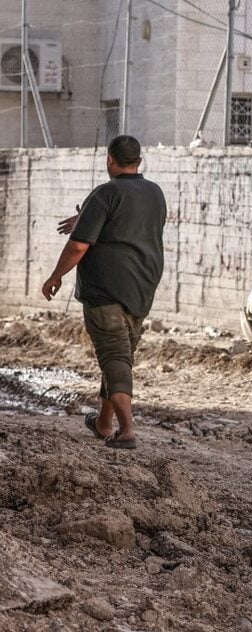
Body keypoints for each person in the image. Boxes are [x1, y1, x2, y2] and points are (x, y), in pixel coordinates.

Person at [42, 135, 167, 450]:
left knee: (113, 355)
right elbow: (129, 225)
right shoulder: (154, 193)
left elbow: (78, 245)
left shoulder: (105, 194)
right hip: (142, 287)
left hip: (106, 289)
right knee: (120, 356)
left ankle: (126, 431)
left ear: (110, 160)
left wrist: (56, 275)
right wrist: (86, 218)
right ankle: (103, 423)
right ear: (139, 160)